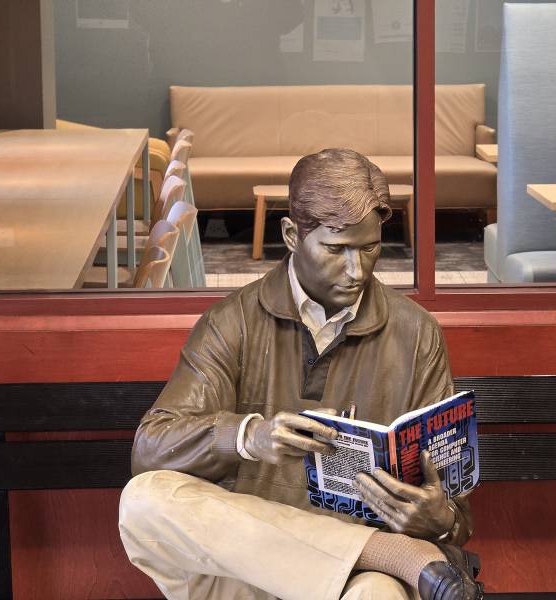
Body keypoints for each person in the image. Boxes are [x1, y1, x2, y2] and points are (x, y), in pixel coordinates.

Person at [119, 148, 483, 600]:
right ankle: (386, 552)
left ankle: (380, 558)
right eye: (336, 249)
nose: (357, 270)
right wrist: (249, 437)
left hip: (354, 585)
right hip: (244, 572)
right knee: (143, 500)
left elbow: (456, 514)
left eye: (369, 248)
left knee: (379, 596)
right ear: (291, 235)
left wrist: (441, 519)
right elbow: (151, 448)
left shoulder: (416, 334)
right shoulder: (231, 322)